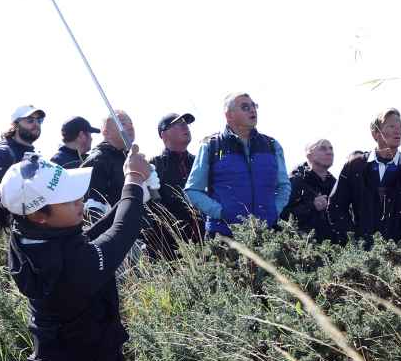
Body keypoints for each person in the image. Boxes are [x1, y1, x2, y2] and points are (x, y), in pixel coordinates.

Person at [0, 146, 152, 361]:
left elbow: (90, 237)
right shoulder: (73, 264)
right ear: (38, 215)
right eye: (69, 200)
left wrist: (132, 196)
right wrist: (134, 180)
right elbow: (120, 235)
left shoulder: (28, 236)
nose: (80, 201)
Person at [328, 108, 401, 257]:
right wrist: (352, 242)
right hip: (361, 256)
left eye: (400, 127)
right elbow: (336, 206)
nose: (398, 131)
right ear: (375, 133)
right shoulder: (354, 166)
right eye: (391, 126)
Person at [185, 93, 290, 238]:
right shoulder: (211, 145)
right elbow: (193, 189)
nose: (252, 110)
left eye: (254, 106)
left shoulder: (272, 145)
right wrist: (221, 212)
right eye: (245, 107)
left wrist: (274, 210)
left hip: (266, 234)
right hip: (224, 236)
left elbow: (284, 186)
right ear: (229, 115)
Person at [145, 112, 202, 258]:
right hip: (170, 249)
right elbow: (147, 211)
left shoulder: (199, 162)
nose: (186, 127)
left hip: (203, 243)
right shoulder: (152, 166)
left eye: (186, 123)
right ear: (164, 135)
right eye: (179, 124)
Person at [281, 139, 337, 242]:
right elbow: (282, 216)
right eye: (323, 148)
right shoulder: (295, 181)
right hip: (303, 248)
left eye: (331, 148)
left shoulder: (335, 184)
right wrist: (312, 206)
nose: (329, 152)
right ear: (309, 155)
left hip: (333, 248)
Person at [84, 111, 135, 215]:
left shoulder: (130, 158)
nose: (130, 127)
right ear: (105, 132)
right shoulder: (98, 160)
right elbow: (93, 209)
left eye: (131, 123)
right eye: (123, 123)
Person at [0, 105, 46, 187]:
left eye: (39, 120)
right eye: (30, 120)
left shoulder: (34, 155)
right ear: (15, 125)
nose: (36, 124)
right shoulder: (3, 153)